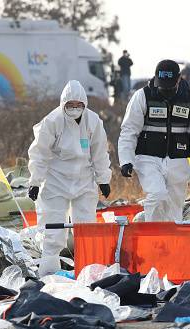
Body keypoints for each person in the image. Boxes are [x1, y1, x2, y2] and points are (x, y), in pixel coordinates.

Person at [27, 80, 112, 276]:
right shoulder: (52, 121)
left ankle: (87, 271)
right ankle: (49, 273)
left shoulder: (93, 122)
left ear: (84, 104)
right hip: (56, 180)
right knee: (54, 228)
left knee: (85, 228)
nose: (74, 109)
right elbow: (39, 153)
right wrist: (35, 181)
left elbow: (100, 152)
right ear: (63, 104)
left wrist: (103, 179)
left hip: (84, 180)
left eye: (78, 105)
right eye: (70, 105)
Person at [118, 59, 190, 221]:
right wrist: (126, 160)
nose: (165, 90)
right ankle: (152, 236)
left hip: (178, 160)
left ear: (179, 79)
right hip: (148, 158)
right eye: (162, 85)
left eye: (170, 86)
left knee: (175, 206)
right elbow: (129, 131)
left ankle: (171, 242)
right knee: (157, 194)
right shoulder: (142, 96)